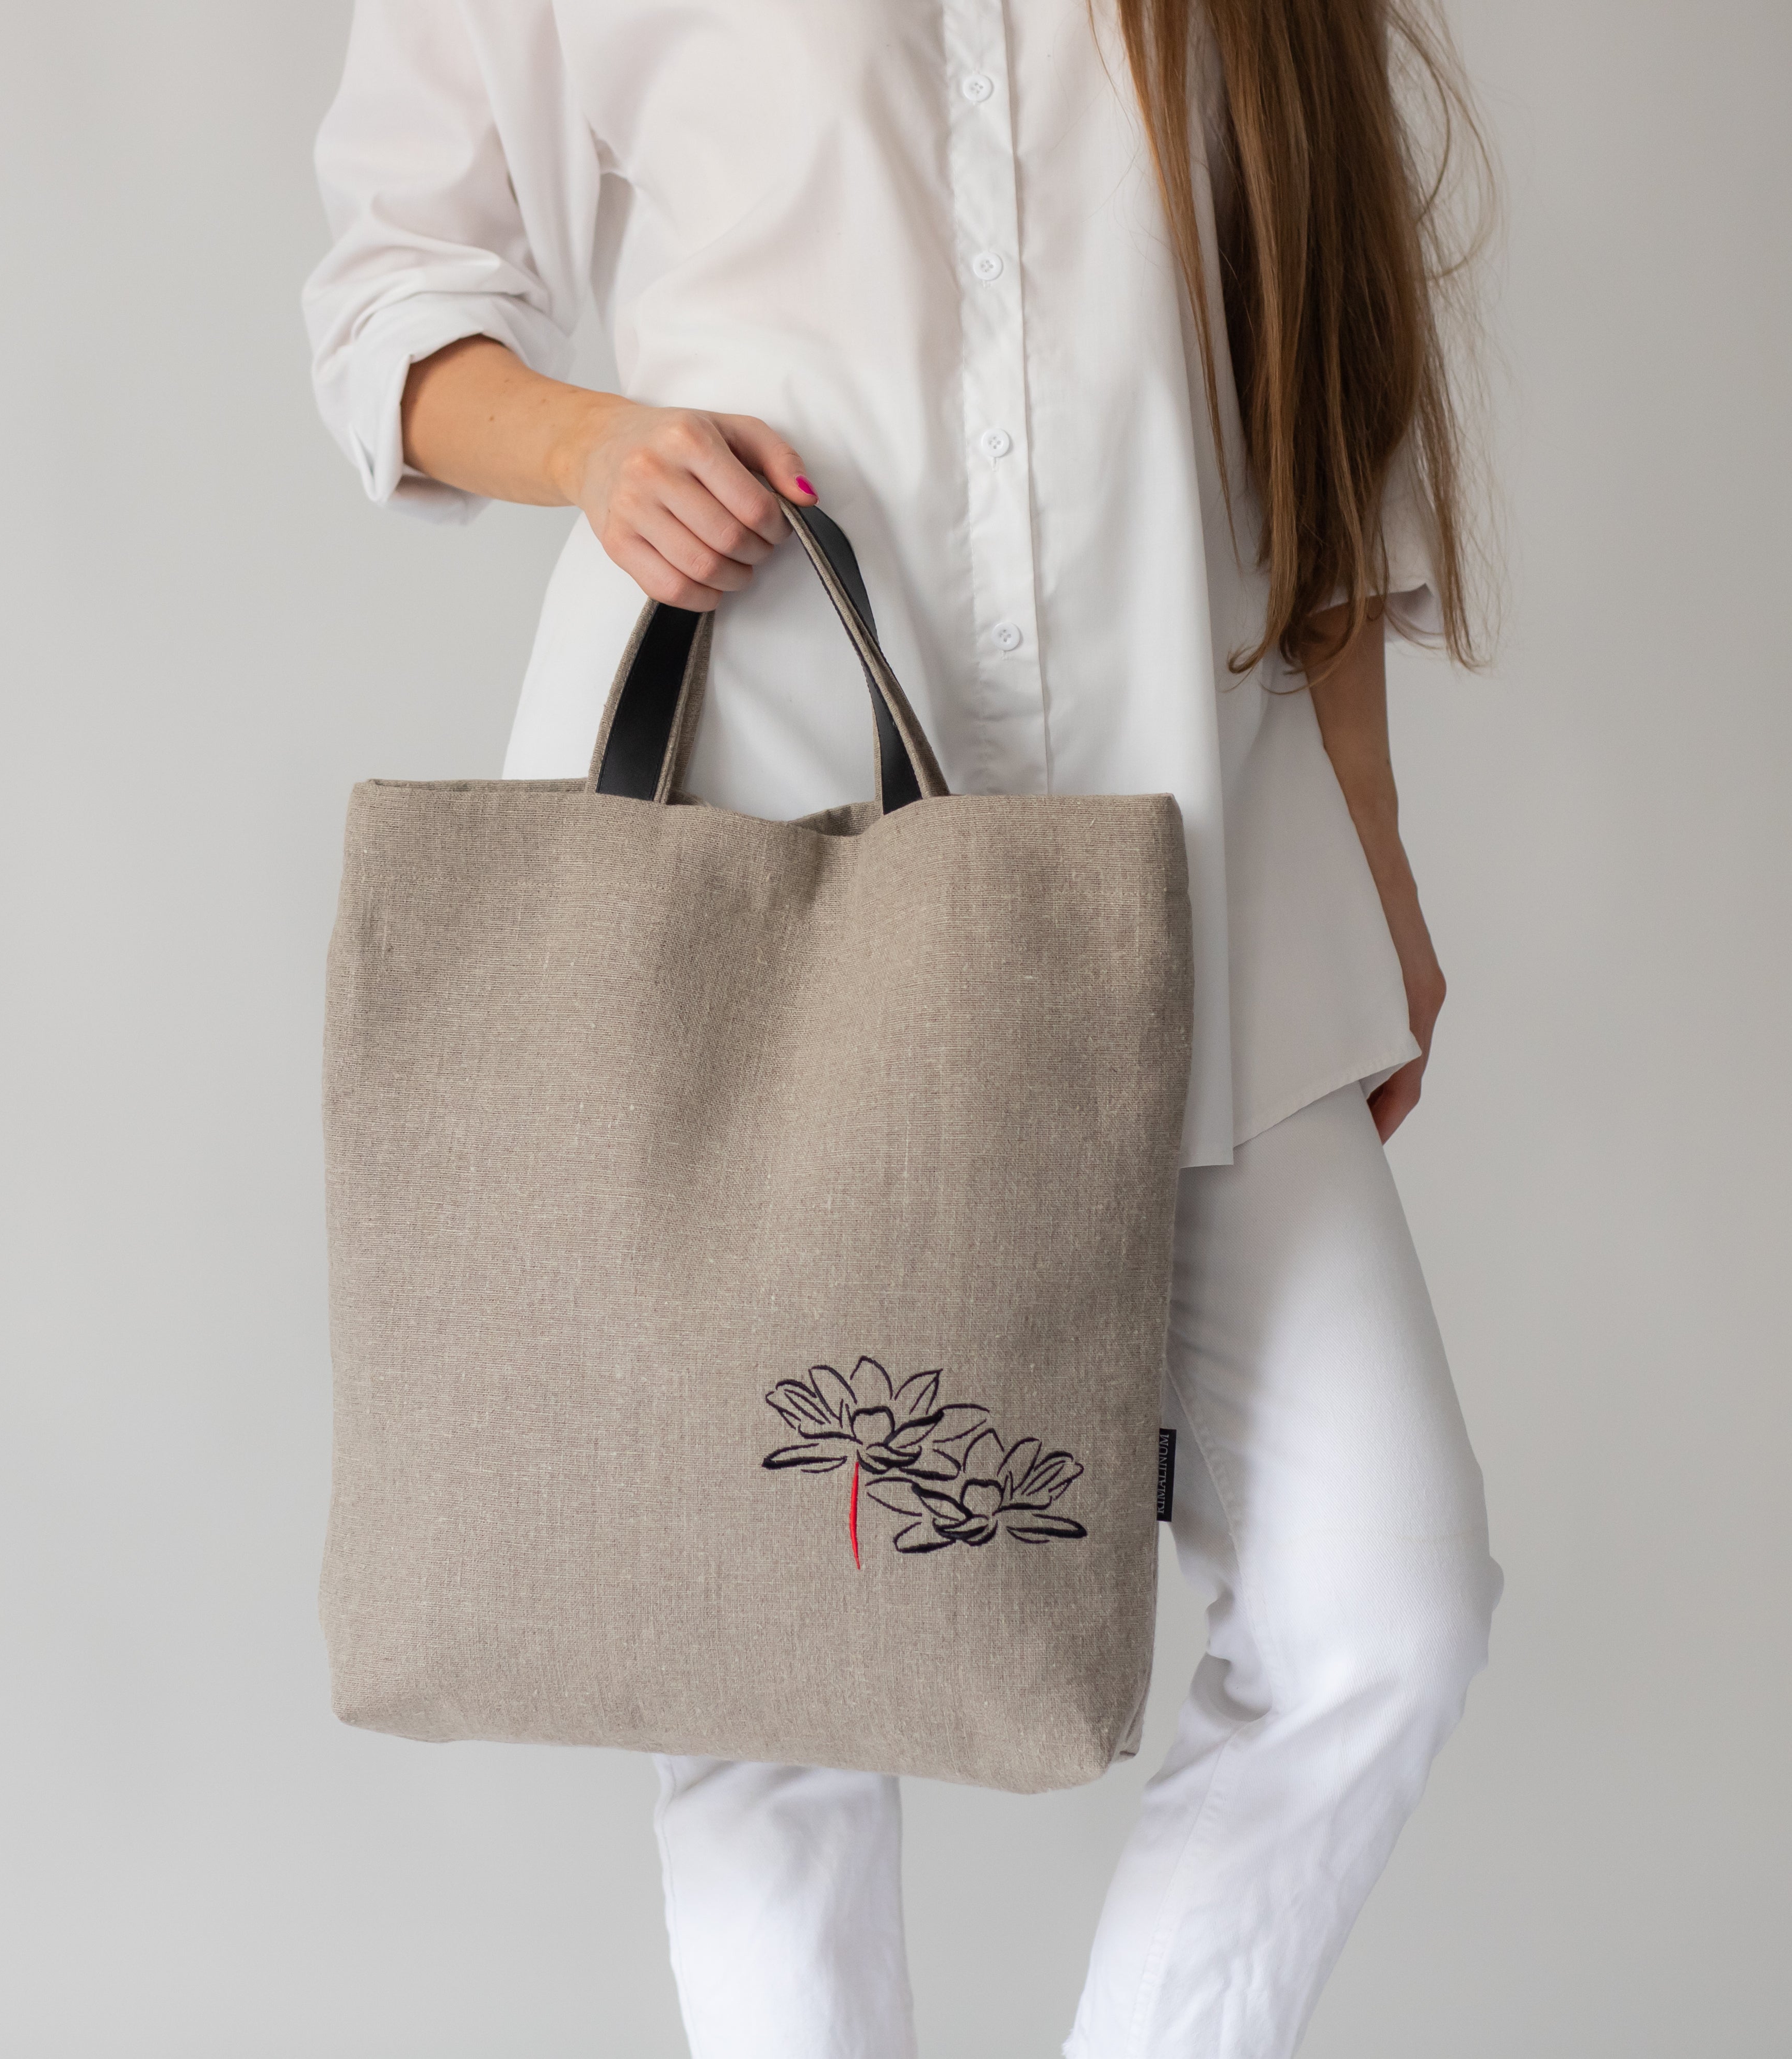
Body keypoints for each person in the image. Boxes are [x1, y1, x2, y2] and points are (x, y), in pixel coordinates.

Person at [302, 2, 1504, 2052]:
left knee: (1382, 1601)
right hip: (751, 839)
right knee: (755, 1660)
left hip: (1190, 852)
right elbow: (385, 305)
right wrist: (597, 447)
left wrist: (1370, 848)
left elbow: (1318, 362)